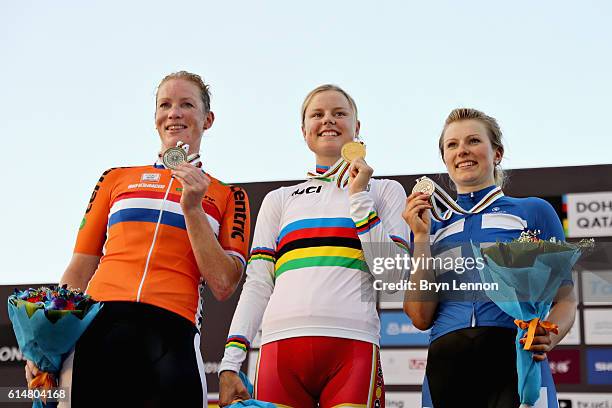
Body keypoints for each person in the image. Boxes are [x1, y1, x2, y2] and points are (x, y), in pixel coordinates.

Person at [25, 71, 251, 407]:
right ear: (156, 118)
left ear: (208, 119)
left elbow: (222, 283)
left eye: (186, 104)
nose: (173, 112)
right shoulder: (115, 178)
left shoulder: (228, 195)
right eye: (165, 105)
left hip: (173, 334)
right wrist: (47, 344)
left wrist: (192, 208)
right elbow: (80, 267)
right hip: (99, 329)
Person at [218, 84, 410, 407]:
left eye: (339, 113)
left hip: (353, 347)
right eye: (317, 115)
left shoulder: (385, 191)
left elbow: (393, 279)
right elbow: (258, 284)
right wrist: (230, 362)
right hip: (280, 350)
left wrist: (359, 198)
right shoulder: (278, 200)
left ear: (357, 127)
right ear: (304, 131)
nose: (328, 121)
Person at [402, 108, 577, 408]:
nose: (462, 151)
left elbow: (566, 299)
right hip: (446, 367)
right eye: (452, 145)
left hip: (513, 358)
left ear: (497, 153)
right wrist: (420, 238)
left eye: (473, 140)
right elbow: (420, 317)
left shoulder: (533, 211)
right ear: (444, 158)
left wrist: (551, 335)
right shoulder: (431, 225)